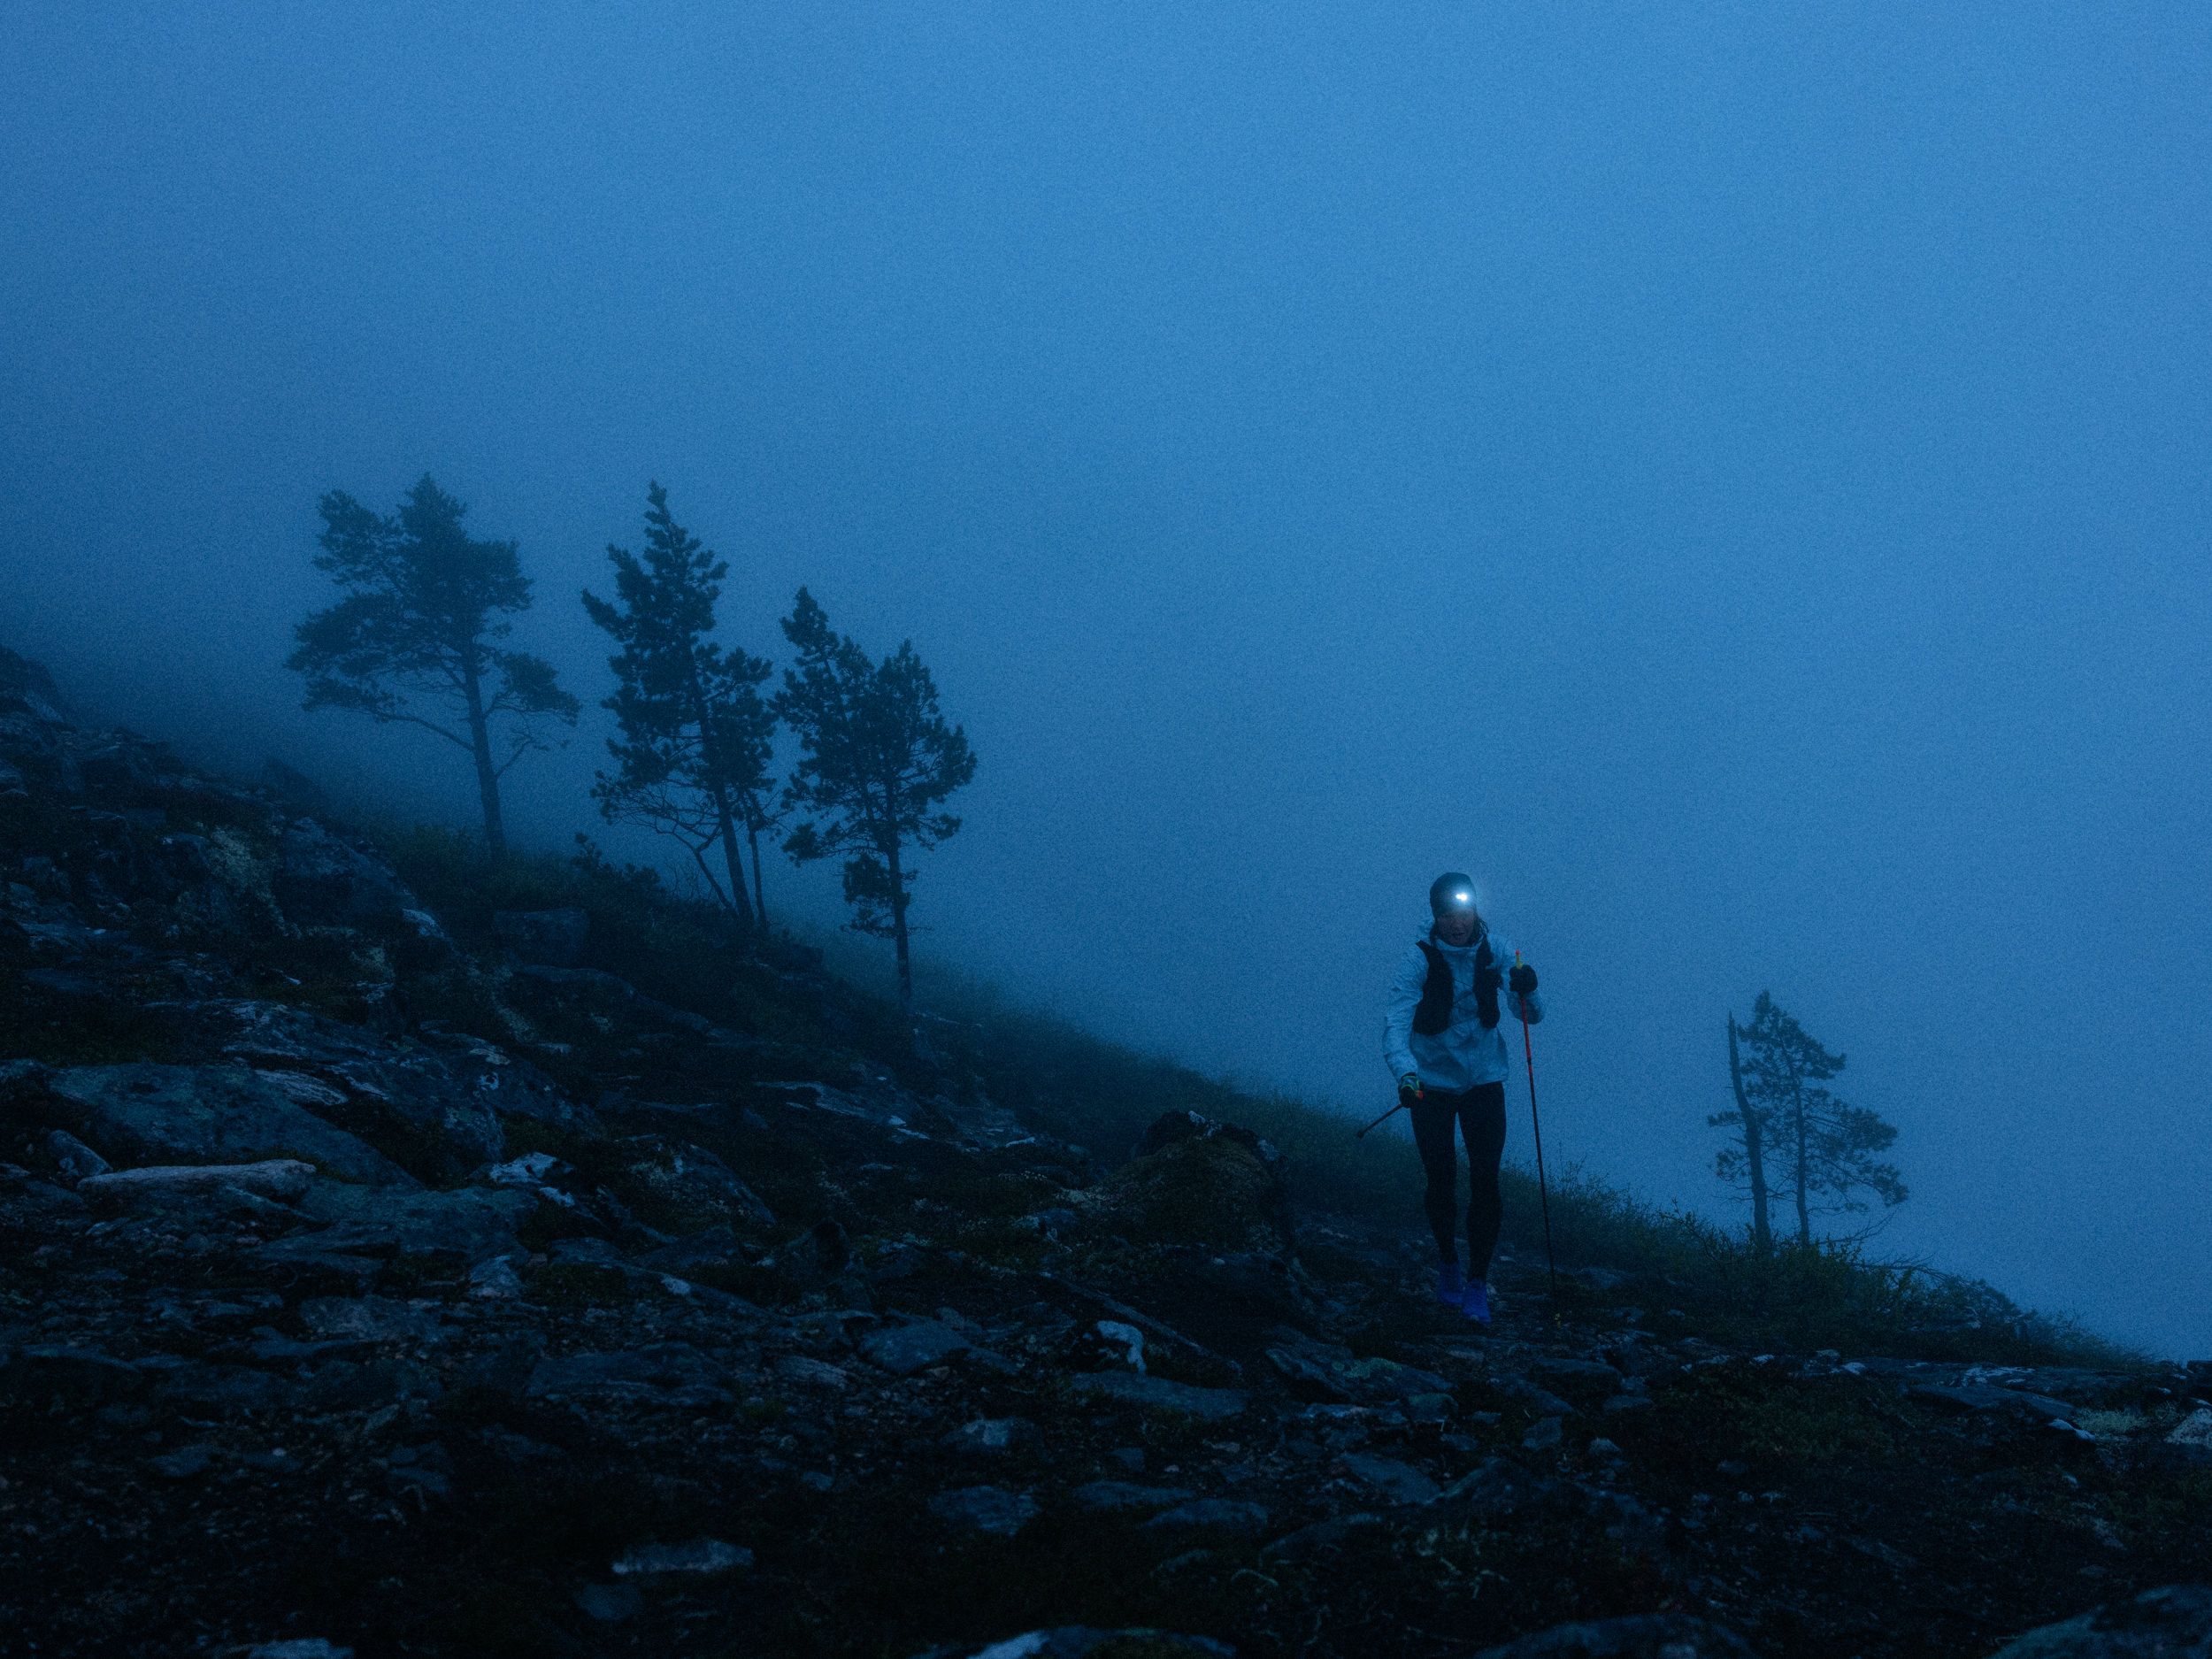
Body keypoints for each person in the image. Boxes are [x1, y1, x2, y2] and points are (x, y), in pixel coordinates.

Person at [1382, 872, 1541, 1324]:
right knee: (1441, 1180)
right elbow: (1396, 1022)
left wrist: (1528, 987)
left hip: (1484, 1083)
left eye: (1465, 912)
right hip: (1429, 1086)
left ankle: (1477, 1284)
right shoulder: (1417, 959)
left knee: (1486, 1182)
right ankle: (1448, 1263)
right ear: (1436, 916)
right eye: (1448, 914)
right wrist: (1406, 1074)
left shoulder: (1497, 950)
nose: (1458, 923)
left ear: (1476, 912)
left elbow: (1531, 1015)